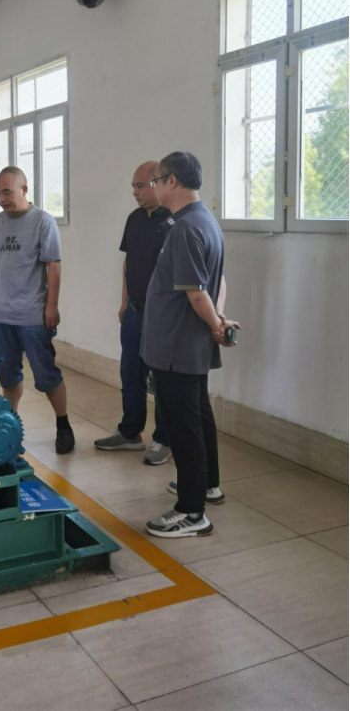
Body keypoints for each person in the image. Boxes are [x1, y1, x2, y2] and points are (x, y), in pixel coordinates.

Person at [140, 152, 240, 539]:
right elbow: (219, 281)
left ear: (172, 182)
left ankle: (191, 512)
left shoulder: (184, 228)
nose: (153, 187)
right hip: (188, 343)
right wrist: (219, 320)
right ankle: (207, 485)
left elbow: (197, 292)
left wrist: (216, 325)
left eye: (155, 180)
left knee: (183, 426)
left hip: (175, 345)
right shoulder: (204, 221)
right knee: (198, 416)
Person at [0, 167, 74, 454]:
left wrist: (51, 305)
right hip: (1, 315)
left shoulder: (42, 221)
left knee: (46, 375)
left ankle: (63, 425)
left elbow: (53, 265)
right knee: (7, 376)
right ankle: (11, 427)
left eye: (6, 192)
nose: (1, 198)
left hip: (33, 315)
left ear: (24, 189)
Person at [95, 161, 172, 465]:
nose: (135, 192)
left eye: (140, 186)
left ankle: (164, 439)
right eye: (133, 187)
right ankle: (130, 433)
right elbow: (129, 262)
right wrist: (124, 302)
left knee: (162, 381)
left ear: (158, 183)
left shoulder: (173, 221)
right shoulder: (135, 219)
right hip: (135, 312)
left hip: (162, 316)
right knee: (130, 374)